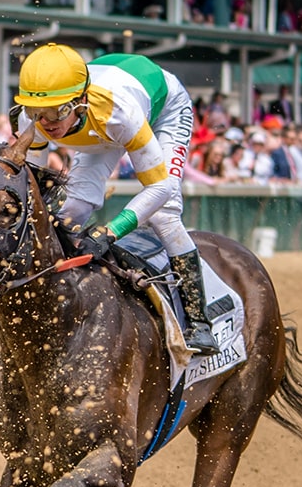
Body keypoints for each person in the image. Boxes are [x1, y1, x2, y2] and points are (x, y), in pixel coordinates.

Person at [13, 43, 218, 355]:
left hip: (163, 112)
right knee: (72, 211)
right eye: (36, 112)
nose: (46, 123)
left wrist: (110, 232)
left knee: (164, 215)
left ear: (80, 101)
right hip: (98, 126)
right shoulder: (31, 123)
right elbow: (36, 190)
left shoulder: (118, 113)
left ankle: (198, 320)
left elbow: (159, 188)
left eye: (57, 111)